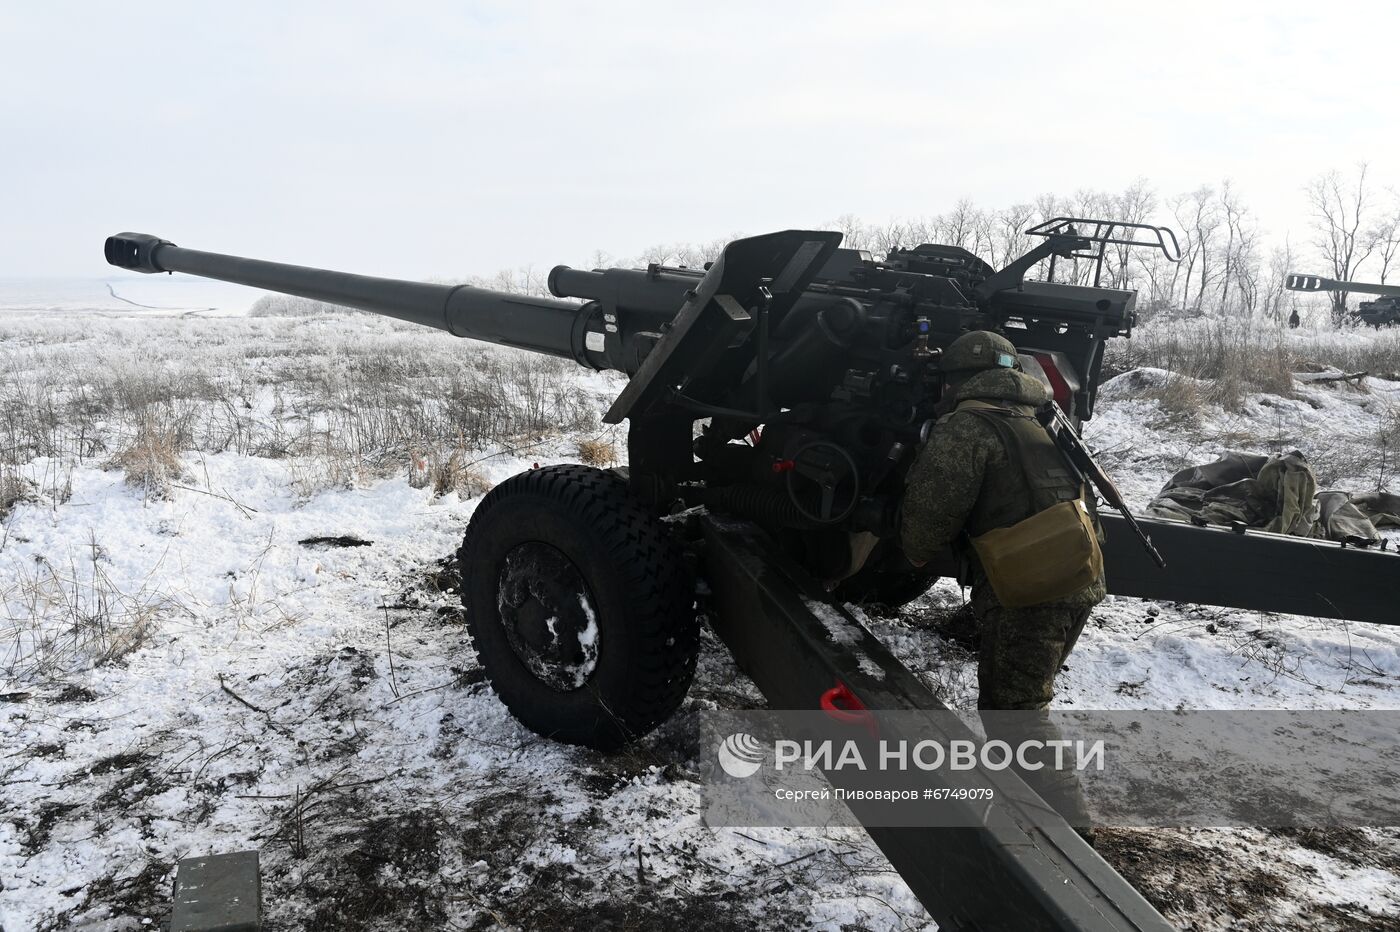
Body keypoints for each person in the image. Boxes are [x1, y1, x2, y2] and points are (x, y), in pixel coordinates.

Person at [900, 329, 1105, 837]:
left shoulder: (968, 427)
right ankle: (1029, 817)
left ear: (958, 380)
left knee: (1017, 713)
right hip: (1077, 576)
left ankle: (1073, 837)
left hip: (1031, 587)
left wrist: (912, 550)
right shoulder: (1040, 419)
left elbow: (929, 516)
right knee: (1021, 702)